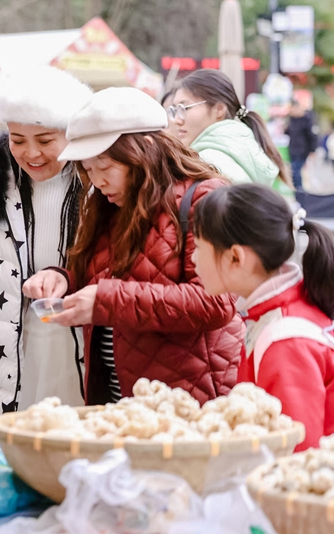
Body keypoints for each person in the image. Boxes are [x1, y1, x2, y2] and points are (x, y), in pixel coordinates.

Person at [22, 87, 243, 406]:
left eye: (106, 166)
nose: (97, 181)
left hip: (187, 398)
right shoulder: (109, 205)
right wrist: (64, 279)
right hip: (118, 395)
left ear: (146, 149)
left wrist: (106, 299)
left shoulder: (204, 198)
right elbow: (109, 278)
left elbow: (215, 302)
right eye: (88, 169)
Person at [0, 66, 91, 420]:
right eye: (17, 140)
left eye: (45, 141)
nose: (31, 153)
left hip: (84, 358)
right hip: (13, 360)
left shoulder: (98, 183)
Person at [192, 183, 334, 451]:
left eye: (198, 247)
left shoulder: (285, 340)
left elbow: (296, 453)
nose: (193, 258)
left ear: (236, 257)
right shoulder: (277, 315)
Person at [172, 69, 292, 199]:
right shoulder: (243, 151)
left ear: (219, 110)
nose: (177, 120)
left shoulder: (208, 164)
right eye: (175, 110)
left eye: (184, 108)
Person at [285, 99, 317, 191]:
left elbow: (312, 136)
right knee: (294, 172)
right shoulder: (291, 119)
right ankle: (297, 191)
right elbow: (289, 133)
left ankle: (299, 191)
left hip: (302, 150)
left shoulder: (307, 119)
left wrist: (312, 150)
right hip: (292, 149)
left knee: (296, 172)